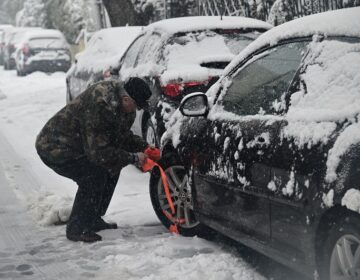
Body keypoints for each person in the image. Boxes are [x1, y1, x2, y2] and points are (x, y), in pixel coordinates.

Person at [36, 78, 152, 242]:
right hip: (55, 146)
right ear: (126, 99)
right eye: (137, 105)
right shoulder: (100, 103)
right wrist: (133, 158)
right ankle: (77, 228)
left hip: (81, 145)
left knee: (112, 168)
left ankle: (93, 218)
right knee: (93, 175)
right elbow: (98, 153)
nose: (137, 110)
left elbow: (121, 136)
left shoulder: (126, 108)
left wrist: (145, 147)